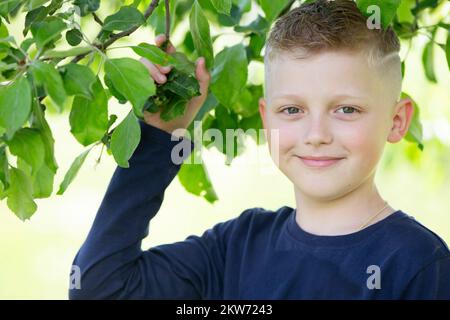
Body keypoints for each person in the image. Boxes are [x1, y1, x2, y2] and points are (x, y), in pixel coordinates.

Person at [69, 0, 450, 299]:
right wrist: (158, 134)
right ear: (268, 122)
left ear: (397, 120)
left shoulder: (417, 263)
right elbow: (100, 287)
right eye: (292, 110)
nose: (316, 134)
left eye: (346, 109)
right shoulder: (237, 247)